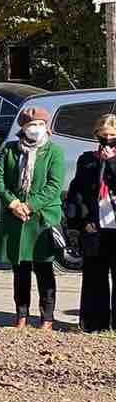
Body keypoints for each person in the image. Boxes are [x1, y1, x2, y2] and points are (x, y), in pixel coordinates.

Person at [0, 105, 65, 330]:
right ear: (23, 127)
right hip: (15, 217)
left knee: (44, 270)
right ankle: (21, 315)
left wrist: (30, 205)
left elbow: (54, 185)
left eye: (41, 124)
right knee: (20, 270)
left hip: (42, 217)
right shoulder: (9, 150)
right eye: (32, 125)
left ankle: (47, 318)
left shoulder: (53, 151)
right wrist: (13, 203)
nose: (37, 128)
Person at [65, 113, 116, 332]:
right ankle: (95, 323)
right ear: (96, 135)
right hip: (95, 225)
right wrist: (83, 220)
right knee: (95, 277)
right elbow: (78, 192)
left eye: (112, 135)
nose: (108, 139)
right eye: (104, 135)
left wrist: (111, 162)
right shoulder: (87, 159)